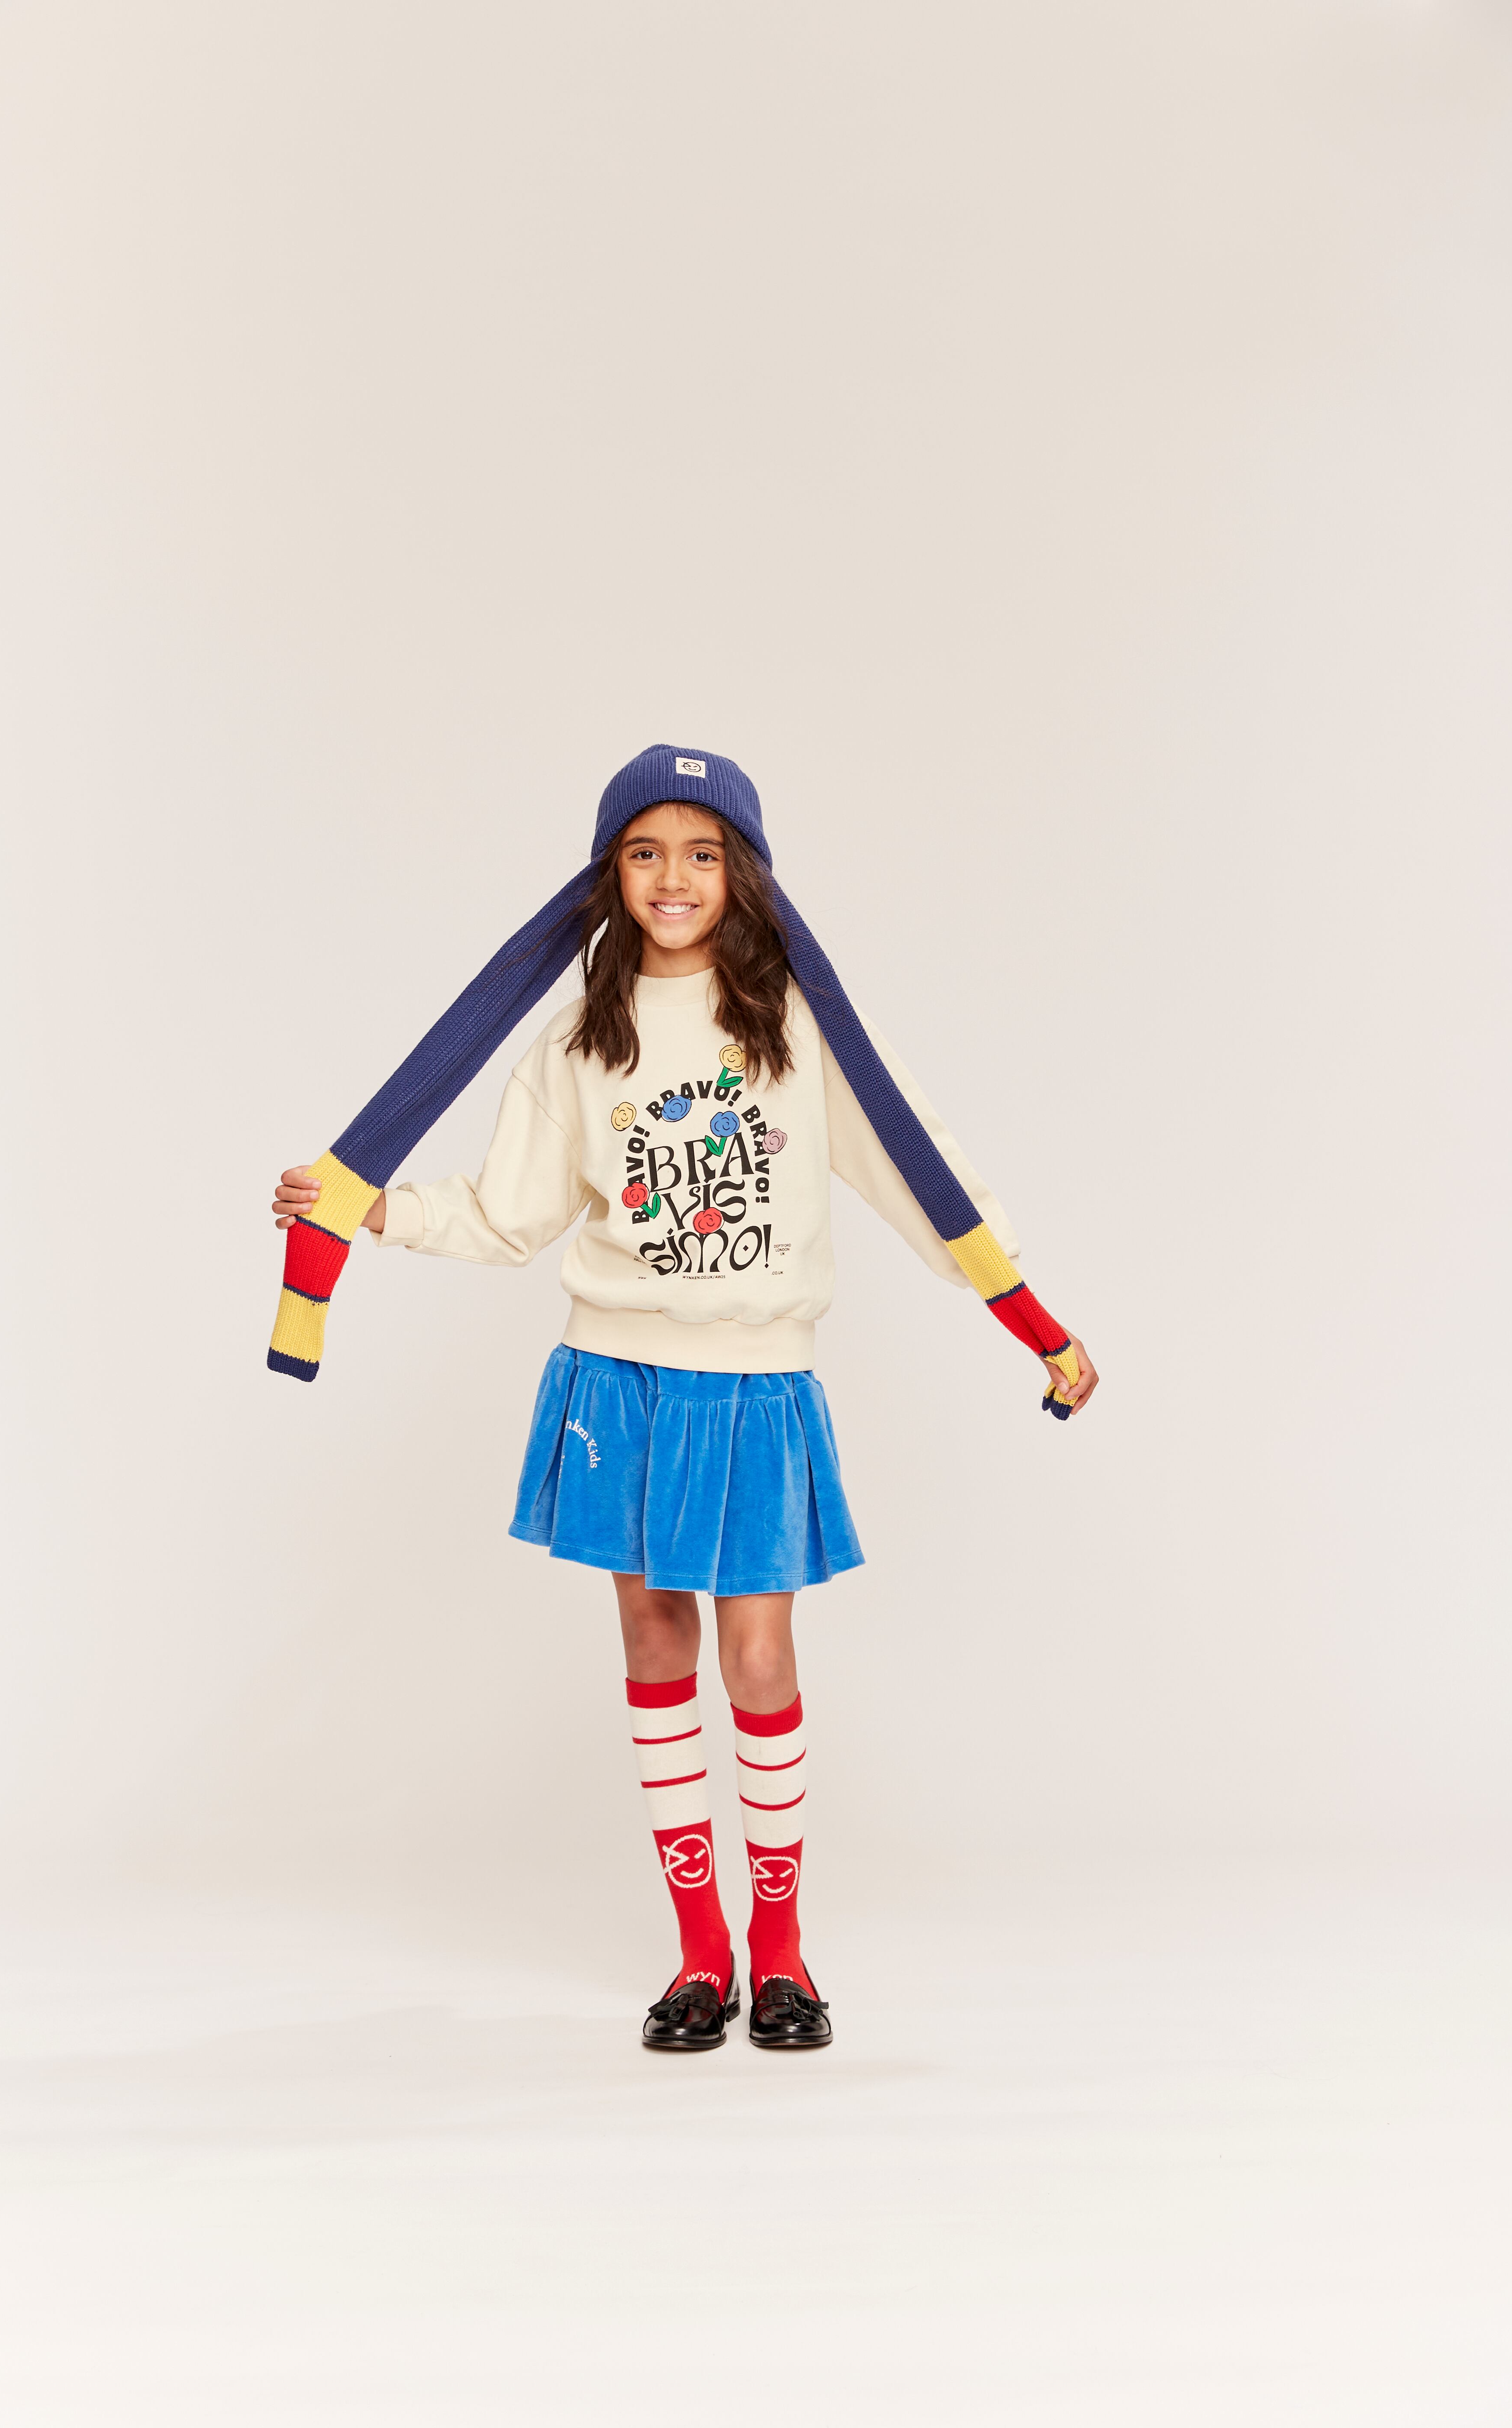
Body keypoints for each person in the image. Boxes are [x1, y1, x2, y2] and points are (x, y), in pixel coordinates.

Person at [269, 746, 1097, 2053]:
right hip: (618, 1383)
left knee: (757, 1655)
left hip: (754, 1386)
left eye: (702, 853)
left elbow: (918, 1171)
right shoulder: (577, 1042)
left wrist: (1027, 1315)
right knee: (657, 1646)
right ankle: (700, 1955)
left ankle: (782, 1950)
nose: (672, 877)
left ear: (742, 874)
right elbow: (508, 1216)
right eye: (645, 852)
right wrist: (373, 1211)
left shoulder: (796, 1028)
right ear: (609, 874)